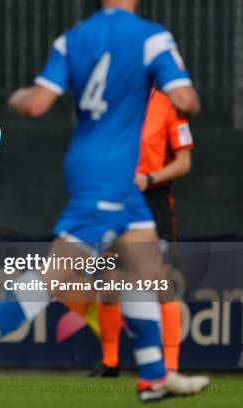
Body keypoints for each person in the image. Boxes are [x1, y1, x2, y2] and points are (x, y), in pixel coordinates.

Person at [0, 0, 208, 402]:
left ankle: (154, 375)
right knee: (59, 273)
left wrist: (16, 97)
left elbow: (35, 103)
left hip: (97, 169)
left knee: (146, 269)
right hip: (110, 176)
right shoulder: (152, 38)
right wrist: (173, 80)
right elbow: (187, 101)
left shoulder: (72, 39)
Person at [92, 89, 194, 377]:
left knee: (160, 283)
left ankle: (170, 366)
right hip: (114, 198)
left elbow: (184, 163)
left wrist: (148, 179)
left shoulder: (169, 105)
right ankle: (110, 362)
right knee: (108, 282)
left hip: (153, 200)